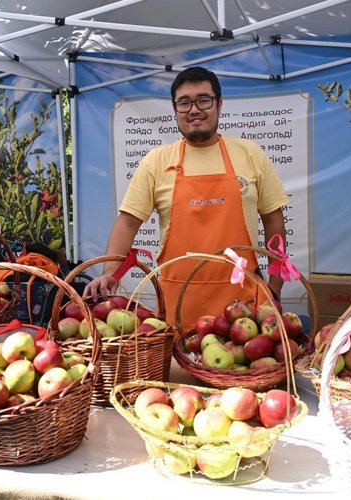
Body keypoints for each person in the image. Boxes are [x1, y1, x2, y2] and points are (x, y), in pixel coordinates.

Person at [85, 66, 289, 326]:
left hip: (243, 305)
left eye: (203, 100)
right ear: (175, 110)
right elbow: (128, 222)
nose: (194, 109)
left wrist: (275, 283)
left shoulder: (250, 154)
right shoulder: (156, 161)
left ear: (219, 104)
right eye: (184, 103)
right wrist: (110, 272)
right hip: (177, 304)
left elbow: (274, 219)